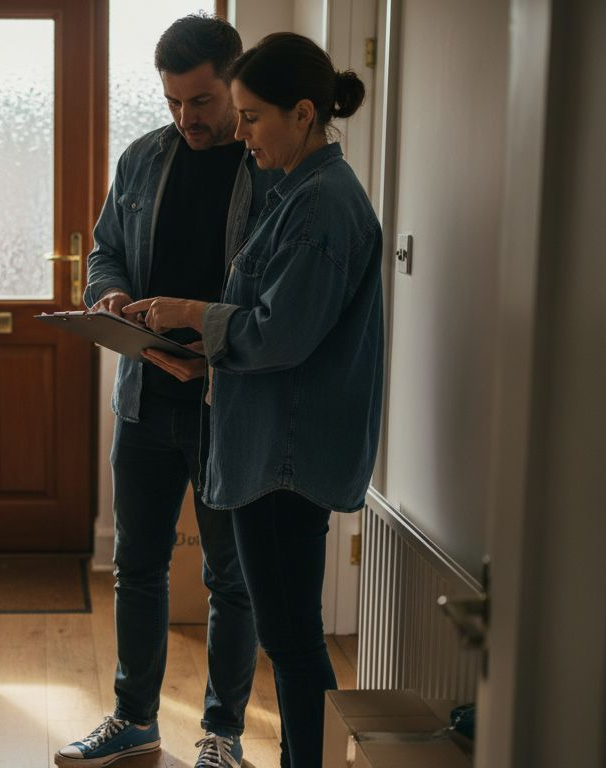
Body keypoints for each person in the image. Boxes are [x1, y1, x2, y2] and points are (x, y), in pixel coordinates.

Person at [124, 32, 385, 768]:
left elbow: (280, 335)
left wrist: (185, 311)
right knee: (292, 640)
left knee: (293, 646)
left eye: (251, 117)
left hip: (283, 460)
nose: (240, 133)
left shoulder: (324, 205)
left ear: (303, 114)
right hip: (271, 450)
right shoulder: (302, 192)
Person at [55, 14, 282, 768]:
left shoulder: (271, 171)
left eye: (203, 101)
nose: (187, 118)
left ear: (235, 84)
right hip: (145, 400)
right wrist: (111, 296)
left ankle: (222, 735)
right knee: (138, 564)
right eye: (174, 102)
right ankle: (135, 718)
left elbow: (279, 301)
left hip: (231, 405)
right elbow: (106, 251)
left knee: (231, 581)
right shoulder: (143, 159)